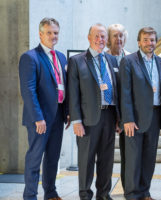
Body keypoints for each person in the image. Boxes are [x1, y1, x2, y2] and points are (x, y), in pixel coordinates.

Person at [68, 23, 120, 200]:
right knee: (86, 160)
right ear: (89, 38)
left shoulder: (112, 60)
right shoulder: (77, 61)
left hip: (109, 116)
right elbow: (73, 93)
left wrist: (119, 118)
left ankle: (104, 194)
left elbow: (116, 90)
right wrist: (76, 121)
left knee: (107, 160)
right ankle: (85, 195)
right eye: (97, 36)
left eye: (104, 36)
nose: (100, 40)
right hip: (88, 119)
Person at [19, 17, 69, 200]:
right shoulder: (30, 57)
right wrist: (38, 118)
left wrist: (67, 112)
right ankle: (30, 195)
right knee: (34, 159)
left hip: (57, 117)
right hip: (39, 119)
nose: (53, 36)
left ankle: (51, 192)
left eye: (55, 32)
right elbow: (28, 91)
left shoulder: (61, 57)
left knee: (52, 159)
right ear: (40, 34)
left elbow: (64, 87)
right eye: (49, 32)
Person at [119, 27, 161, 200]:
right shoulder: (129, 61)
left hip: (154, 116)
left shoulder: (160, 62)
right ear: (139, 42)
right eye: (145, 39)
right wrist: (128, 119)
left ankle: (145, 192)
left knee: (148, 158)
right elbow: (125, 92)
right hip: (135, 118)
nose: (149, 43)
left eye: (152, 39)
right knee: (133, 159)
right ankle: (131, 194)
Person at [105, 23, 128, 192]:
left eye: (121, 35)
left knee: (128, 153)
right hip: (108, 112)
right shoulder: (103, 57)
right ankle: (104, 190)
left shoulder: (130, 58)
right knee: (106, 153)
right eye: (114, 35)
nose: (118, 39)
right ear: (108, 39)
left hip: (127, 113)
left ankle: (128, 187)